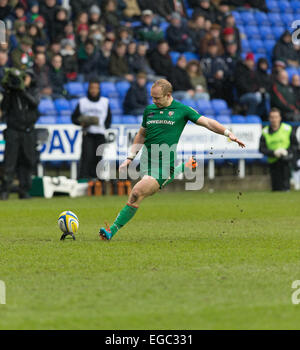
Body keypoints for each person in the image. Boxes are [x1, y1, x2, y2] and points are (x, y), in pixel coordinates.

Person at [99, 79, 245, 240]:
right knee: (136, 196)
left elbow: (208, 122)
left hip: (164, 164)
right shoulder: (149, 111)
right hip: (146, 162)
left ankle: (111, 231)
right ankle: (186, 165)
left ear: (168, 95)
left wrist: (227, 133)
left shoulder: (182, 110)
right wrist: (129, 158)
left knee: (136, 193)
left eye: (157, 98)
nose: (154, 101)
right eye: (152, 98)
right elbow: (141, 134)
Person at [0, 69, 40, 200]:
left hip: (28, 131)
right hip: (13, 130)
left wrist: (22, 90)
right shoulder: (12, 92)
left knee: (27, 161)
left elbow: (34, 103)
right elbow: (4, 107)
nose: (23, 80)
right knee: (10, 161)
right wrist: (9, 91)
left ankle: (24, 190)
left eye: (26, 78)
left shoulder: (33, 91)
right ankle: (5, 190)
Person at [71, 79, 112, 180]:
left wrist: (105, 126)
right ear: (88, 89)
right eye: (91, 88)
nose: (93, 91)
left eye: (96, 88)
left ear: (99, 89)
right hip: (88, 134)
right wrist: (82, 123)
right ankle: (84, 179)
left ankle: (97, 181)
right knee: (87, 157)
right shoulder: (82, 102)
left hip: (100, 134)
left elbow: (109, 118)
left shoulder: (105, 102)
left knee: (99, 158)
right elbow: (74, 117)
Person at [259, 108, 298, 191]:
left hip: (285, 161)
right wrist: (273, 153)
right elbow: (261, 148)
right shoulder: (265, 132)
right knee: (276, 187)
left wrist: (287, 151)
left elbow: (295, 145)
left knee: (285, 187)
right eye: (272, 117)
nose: (274, 119)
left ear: (280, 118)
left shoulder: (287, 129)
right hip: (273, 162)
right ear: (269, 119)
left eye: (276, 117)